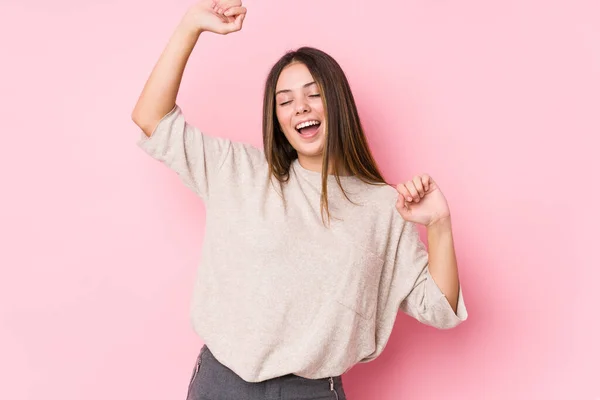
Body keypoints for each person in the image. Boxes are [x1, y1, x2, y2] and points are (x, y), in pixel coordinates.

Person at [131, 1, 468, 399]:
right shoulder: (240, 171)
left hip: (311, 392)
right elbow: (152, 119)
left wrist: (439, 225)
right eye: (285, 101)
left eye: (313, 94)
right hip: (222, 384)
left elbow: (440, 309)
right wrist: (190, 26)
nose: (301, 108)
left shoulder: (382, 208)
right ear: (277, 119)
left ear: (337, 103)